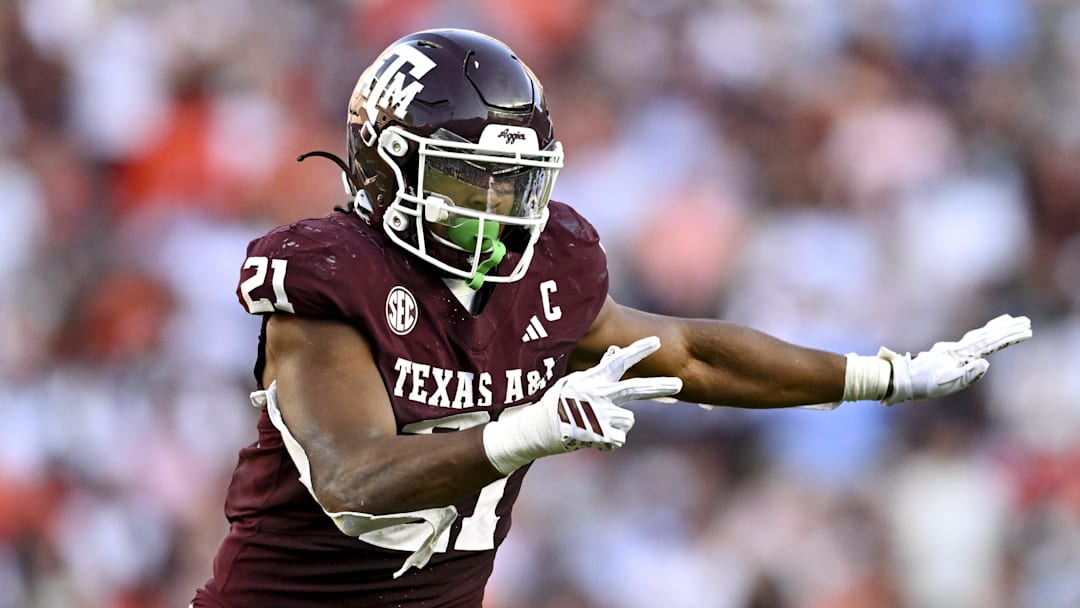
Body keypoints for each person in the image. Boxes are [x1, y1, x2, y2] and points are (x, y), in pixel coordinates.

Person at [192, 28, 1032, 608]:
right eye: (467, 182)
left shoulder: (542, 276)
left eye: (510, 185)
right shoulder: (330, 285)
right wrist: (525, 433)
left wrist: (884, 376)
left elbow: (695, 357)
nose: (497, 212)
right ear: (385, 167)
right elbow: (353, 482)